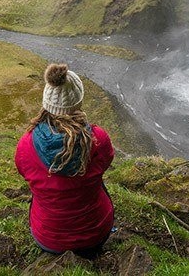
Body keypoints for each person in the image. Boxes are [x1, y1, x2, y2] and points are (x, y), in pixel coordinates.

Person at [15, 63, 115, 258]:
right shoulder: (98, 139)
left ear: (47, 102)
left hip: (48, 238)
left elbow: (23, 171)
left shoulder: (25, 145)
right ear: (78, 102)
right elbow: (106, 162)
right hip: (95, 234)